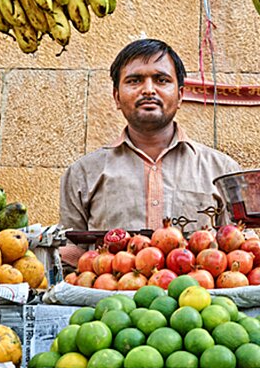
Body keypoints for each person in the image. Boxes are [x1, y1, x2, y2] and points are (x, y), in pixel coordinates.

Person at [59, 39, 241, 268]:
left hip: (199, 300)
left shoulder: (222, 171)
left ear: (180, 95)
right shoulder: (82, 174)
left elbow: (238, 253)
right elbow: (70, 256)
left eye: (161, 80)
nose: (148, 89)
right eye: (134, 81)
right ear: (116, 97)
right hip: (111, 300)